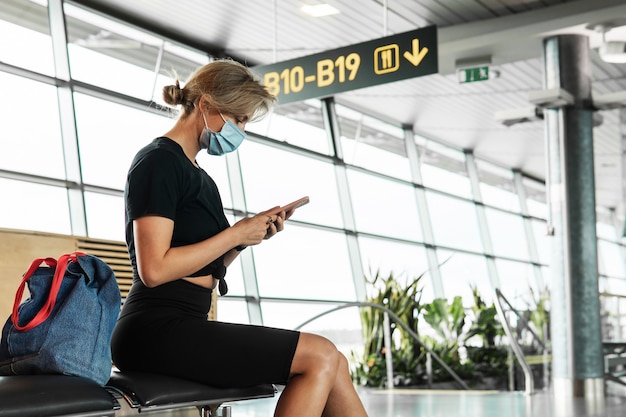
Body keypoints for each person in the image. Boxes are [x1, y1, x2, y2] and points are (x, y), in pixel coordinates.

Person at [110, 59, 368, 417]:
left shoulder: (198, 174)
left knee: (334, 361)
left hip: (184, 324)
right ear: (205, 105)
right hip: (154, 330)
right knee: (320, 354)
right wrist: (234, 233)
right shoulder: (157, 162)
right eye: (239, 119)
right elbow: (153, 269)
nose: (242, 130)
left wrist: (244, 240)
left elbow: (207, 263)